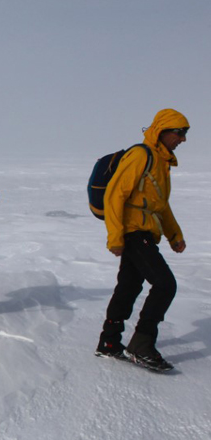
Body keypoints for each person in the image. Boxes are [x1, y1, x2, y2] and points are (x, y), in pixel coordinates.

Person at [95, 109, 189, 372]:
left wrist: (174, 235)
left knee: (128, 287)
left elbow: (161, 206)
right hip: (133, 232)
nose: (182, 139)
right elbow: (114, 195)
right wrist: (115, 236)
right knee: (165, 284)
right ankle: (142, 343)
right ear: (162, 130)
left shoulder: (160, 162)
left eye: (185, 133)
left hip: (146, 232)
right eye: (179, 132)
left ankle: (109, 342)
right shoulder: (141, 155)